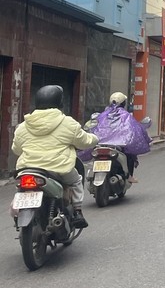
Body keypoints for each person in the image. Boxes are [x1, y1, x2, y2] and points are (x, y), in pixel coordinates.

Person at [12, 85, 99, 229]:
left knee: (20, 187)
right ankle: (77, 212)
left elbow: (16, 149)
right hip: (58, 169)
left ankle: (17, 214)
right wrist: (96, 138)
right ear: (60, 103)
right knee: (76, 180)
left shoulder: (23, 126)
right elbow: (84, 142)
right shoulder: (68, 123)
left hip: (27, 169)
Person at [93, 92, 152, 183]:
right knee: (130, 153)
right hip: (118, 144)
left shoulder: (104, 114)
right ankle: (129, 176)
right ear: (123, 103)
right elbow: (134, 128)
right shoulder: (126, 115)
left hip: (102, 143)